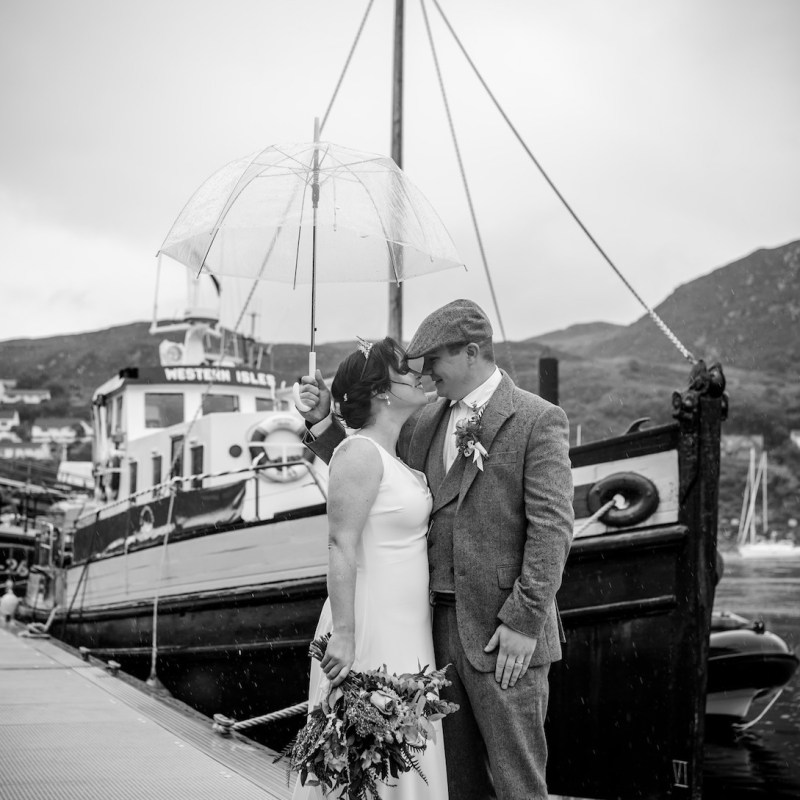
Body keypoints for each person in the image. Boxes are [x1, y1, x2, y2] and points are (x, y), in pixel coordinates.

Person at [299, 299, 574, 800]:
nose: (424, 372)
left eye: (433, 359)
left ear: (470, 352)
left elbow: (553, 528)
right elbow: (369, 462)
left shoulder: (538, 419)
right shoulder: (424, 421)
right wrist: (323, 424)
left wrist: (524, 620)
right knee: (456, 785)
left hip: (503, 636)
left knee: (518, 783)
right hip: (431, 638)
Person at [292, 337, 449, 800]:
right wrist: (344, 634)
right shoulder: (360, 453)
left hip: (408, 628)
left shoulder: (391, 453)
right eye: (405, 369)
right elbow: (340, 543)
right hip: (370, 625)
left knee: (402, 751)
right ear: (382, 391)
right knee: (368, 763)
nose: (417, 374)